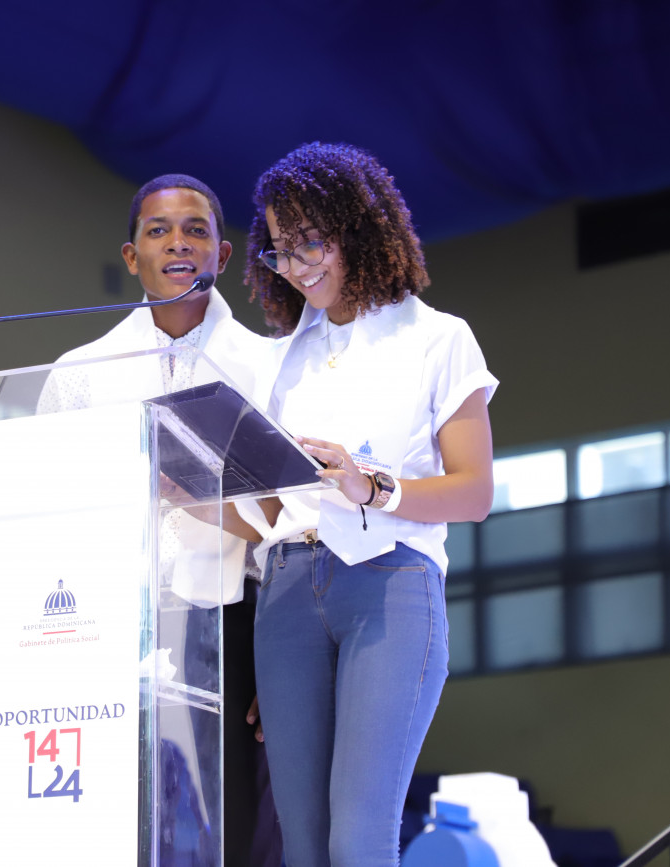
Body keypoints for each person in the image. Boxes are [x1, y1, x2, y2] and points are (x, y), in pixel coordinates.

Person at [235, 142, 497, 867]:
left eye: (309, 242)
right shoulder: (278, 356)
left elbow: (475, 491)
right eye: (280, 250)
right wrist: (186, 486)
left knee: (358, 842)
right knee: (303, 848)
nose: (295, 265)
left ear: (355, 226)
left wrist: (373, 487)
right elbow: (266, 510)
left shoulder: (438, 338)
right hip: (285, 598)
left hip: (389, 585)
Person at [38, 174, 283, 866]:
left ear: (223, 256)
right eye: (159, 231)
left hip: (234, 628)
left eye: (196, 230)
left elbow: (296, 524)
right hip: (112, 627)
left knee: (231, 834)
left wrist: (281, 656)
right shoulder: (80, 375)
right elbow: (52, 521)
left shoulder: (271, 369)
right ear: (131, 255)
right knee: (119, 836)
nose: (178, 243)